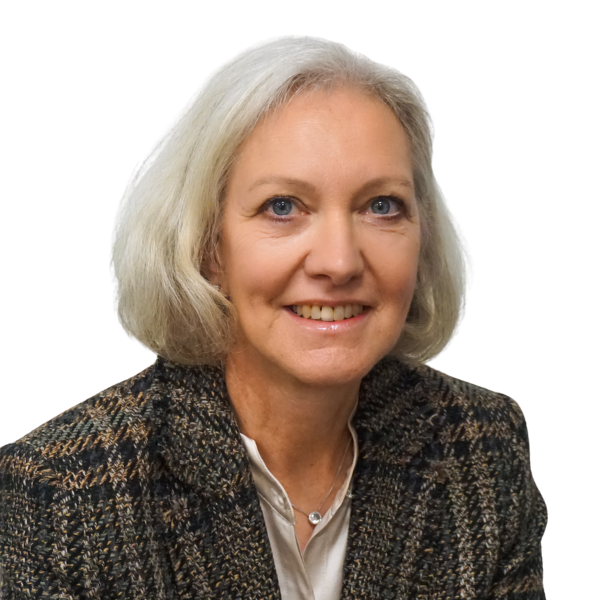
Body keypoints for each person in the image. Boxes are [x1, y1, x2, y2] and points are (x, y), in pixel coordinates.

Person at [0, 36, 547, 599]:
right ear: (207, 246)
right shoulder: (60, 496)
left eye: (381, 206)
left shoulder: (482, 449)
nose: (339, 262)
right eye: (282, 207)